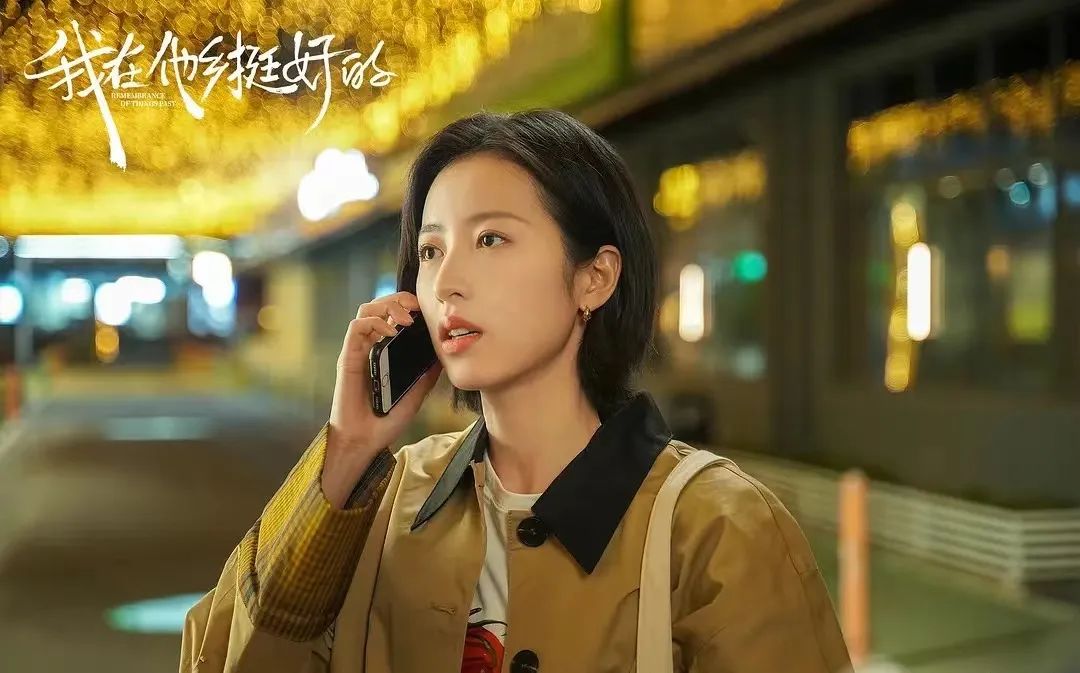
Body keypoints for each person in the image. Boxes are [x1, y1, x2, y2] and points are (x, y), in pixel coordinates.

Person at [179, 109, 851, 673]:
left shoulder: (716, 528)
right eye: (432, 250)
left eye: (491, 238)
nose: (447, 283)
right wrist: (347, 451)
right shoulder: (383, 503)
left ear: (594, 278)